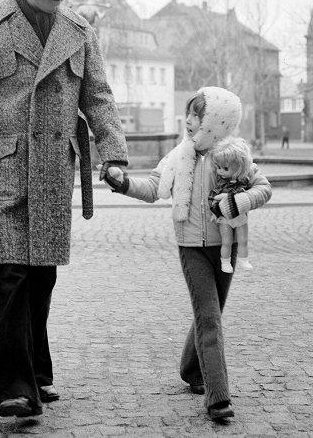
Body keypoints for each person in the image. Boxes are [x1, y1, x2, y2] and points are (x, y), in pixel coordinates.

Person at [0, 0, 128, 419]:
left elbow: (99, 99)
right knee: (12, 275)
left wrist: (113, 155)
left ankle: (38, 371)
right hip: (3, 167)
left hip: (52, 171)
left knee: (41, 276)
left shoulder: (79, 31)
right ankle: (15, 388)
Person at [103, 87, 272, 422]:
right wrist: (122, 183)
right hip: (192, 249)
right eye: (190, 114)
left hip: (226, 248)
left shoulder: (232, 155)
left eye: (198, 115)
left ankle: (191, 368)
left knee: (209, 313)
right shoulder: (178, 156)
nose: (190, 121)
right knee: (209, 318)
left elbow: (263, 187)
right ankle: (218, 398)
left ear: (215, 121)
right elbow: (153, 189)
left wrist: (239, 201)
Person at [208, 136, 256, 274]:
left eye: (225, 168)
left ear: (239, 167)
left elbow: (252, 193)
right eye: (218, 167)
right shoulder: (220, 183)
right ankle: (225, 262)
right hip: (224, 217)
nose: (220, 171)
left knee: (243, 239)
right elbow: (212, 198)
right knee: (226, 241)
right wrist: (215, 212)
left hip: (240, 216)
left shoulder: (245, 179)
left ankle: (243, 259)